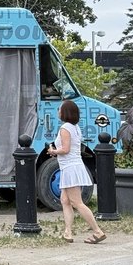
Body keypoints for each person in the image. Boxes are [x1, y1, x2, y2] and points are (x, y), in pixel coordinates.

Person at [48, 99, 107, 244]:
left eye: (60, 109)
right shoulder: (75, 127)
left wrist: (53, 151)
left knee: (77, 202)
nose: (58, 111)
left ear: (64, 112)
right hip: (73, 166)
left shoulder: (65, 128)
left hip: (69, 167)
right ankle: (67, 232)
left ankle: (97, 231)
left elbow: (65, 149)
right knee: (65, 200)